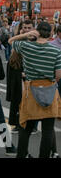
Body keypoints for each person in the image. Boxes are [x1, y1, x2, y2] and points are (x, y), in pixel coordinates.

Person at [9, 22, 61, 158]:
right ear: (50, 33)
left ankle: (21, 155)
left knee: (26, 127)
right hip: (49, 90)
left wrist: (26, 34)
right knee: (48, 131)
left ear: (36, 32)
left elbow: (11, 41)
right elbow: (58, 75)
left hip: (31, 90)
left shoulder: (26, 46)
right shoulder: (56, 51)